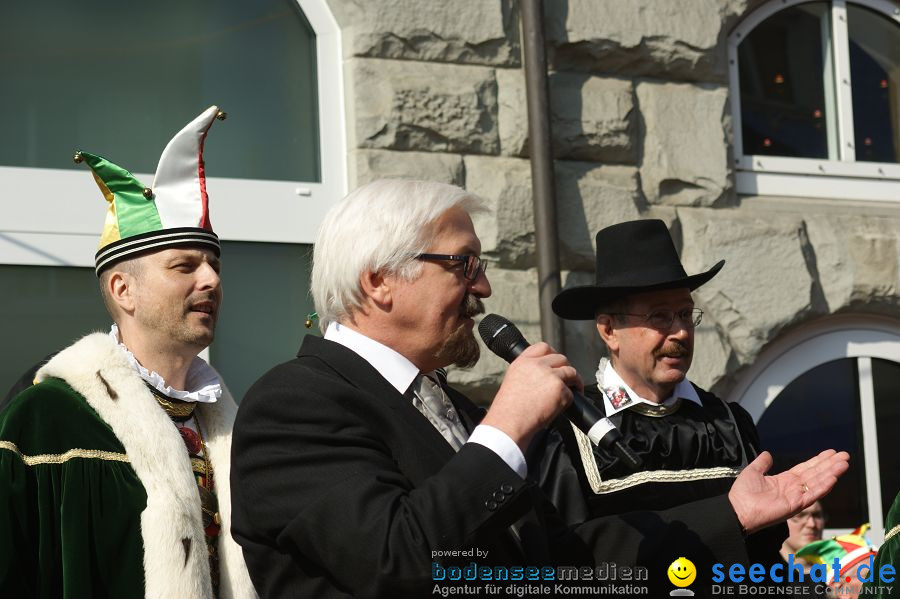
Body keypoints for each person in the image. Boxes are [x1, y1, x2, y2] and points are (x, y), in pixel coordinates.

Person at [230, 179, 849, 598]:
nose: (484, 289)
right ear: (381, 281)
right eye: (464, 264)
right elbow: (398, 563)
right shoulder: (295, 403)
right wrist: (506, 429)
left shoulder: (450, 410)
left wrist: (731, 515)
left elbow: (565, 564)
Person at [0, 106, 256, 599]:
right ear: (123, 290)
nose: (211, 280)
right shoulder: (45, 420)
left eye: (214, 266)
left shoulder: (234, 425)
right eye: (184, 266)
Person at [535, 219, 785, 563]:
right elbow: (561, 564)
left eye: (685, 314)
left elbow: (765, 560)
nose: (681, 332)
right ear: (609, 330)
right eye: (660, 317)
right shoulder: (564, 431)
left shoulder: (731, 425)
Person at [781, 501, 826, 569]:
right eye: (799, 516)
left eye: (817, 515)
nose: (812, 524)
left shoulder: (837, 567)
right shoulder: (764, 569)